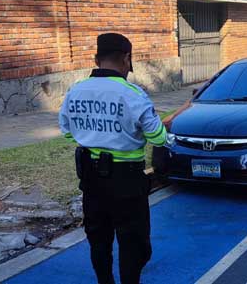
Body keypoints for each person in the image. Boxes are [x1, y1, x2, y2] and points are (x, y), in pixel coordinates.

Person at [58, 32, 168, 284]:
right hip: (127, 181)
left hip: (91, 180)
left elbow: (66, 131)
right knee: (132, 243)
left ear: (97, 59)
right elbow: (158, 137)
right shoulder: (133, 94)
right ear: (126, 59)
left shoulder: (75, 91)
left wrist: (95, 135)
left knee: (99, 240)